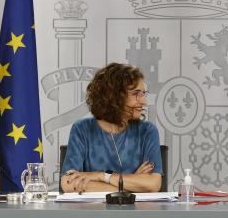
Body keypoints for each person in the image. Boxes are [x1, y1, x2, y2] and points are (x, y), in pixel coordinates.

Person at [61, 63, 162, 193]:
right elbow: (69, 184)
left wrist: (102, 176)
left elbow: (153, 184)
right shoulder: (82, 129)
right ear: (114, 96)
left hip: (136, 212)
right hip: (91, 212)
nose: (144, 101)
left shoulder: (147, 131)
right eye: (136, 94)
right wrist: (133, 184)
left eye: (143, 93)